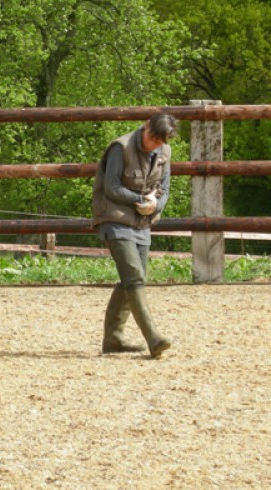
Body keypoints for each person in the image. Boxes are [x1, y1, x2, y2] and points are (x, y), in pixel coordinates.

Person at [91, 113, 178, 358]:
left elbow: (165, 188)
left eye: (159, 141)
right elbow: (111, 187)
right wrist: (142, 200)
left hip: (142, 222)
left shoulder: (164, 152)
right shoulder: (121, 147)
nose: (153, 144)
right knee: (134, 278)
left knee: (133, 279)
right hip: (114, 219)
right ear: (146, 126)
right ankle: (154, 338)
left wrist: (156, 205)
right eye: (152, 137)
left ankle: (113, 339)